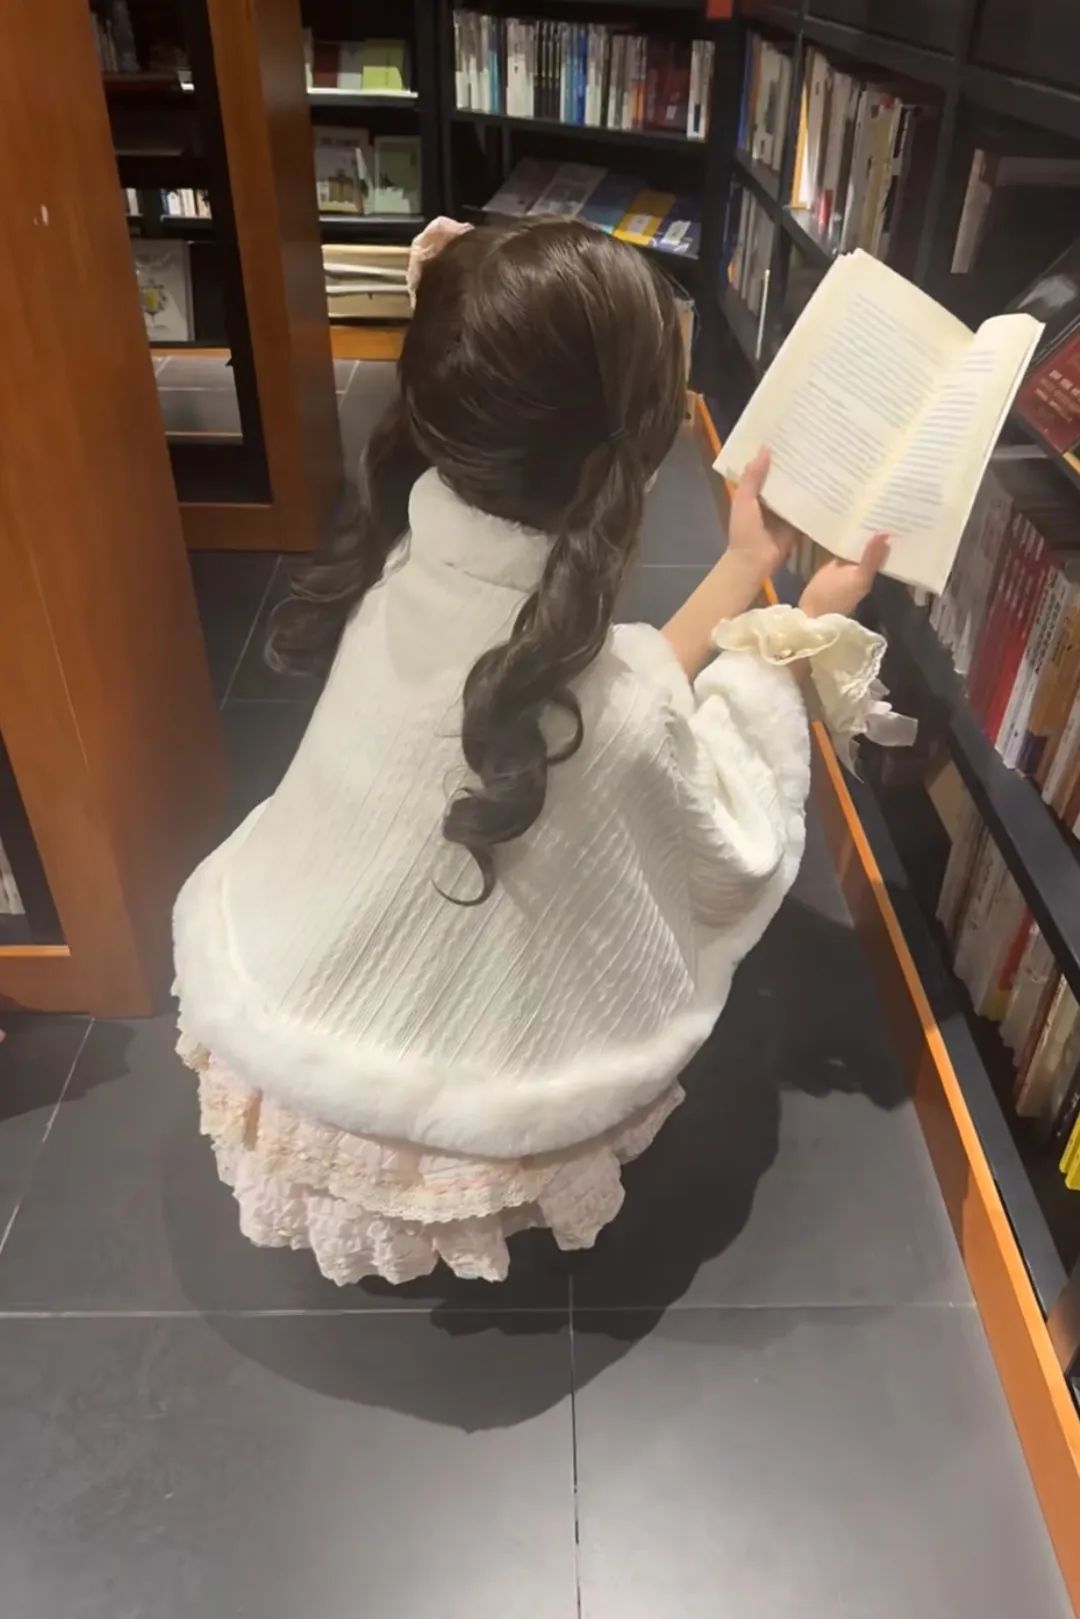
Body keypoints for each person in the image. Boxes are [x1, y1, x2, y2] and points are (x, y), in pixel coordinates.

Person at [173, 215, 900, 1286]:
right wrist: (804, 630)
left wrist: (742, 568)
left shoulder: (405, 579)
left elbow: (612, 686)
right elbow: (726, 828)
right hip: (479, 1085)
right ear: (639, 455)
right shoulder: (613, 713)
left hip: (304, 1014)